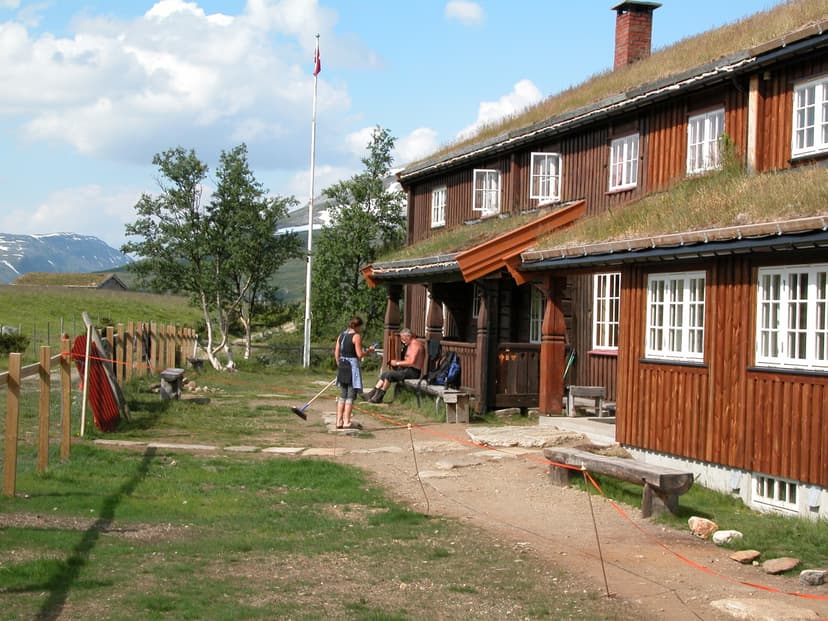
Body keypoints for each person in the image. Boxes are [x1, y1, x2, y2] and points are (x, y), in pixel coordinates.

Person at [364, 328, 426, 404]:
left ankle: (379, 397)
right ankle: (372, 393)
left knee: (389, 375)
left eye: (403, 339)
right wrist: (397, 362)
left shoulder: (415, 345)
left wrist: (397, 363)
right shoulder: (410, 344)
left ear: (408, 337)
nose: (403, 341)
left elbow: (411, 362)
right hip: (407, 369)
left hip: (413, 371)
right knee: (385, 374)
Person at [334, 316, 374, 429]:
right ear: (358, 326)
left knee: (342, 394)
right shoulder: (356, 336)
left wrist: (339, 364)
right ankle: (347, 421)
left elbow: (336, 352)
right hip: (352, 367)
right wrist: (369, 351)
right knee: (350, 395)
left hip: (342, 365)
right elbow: (359, 354)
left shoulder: (341, 335)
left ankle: (339, 421)